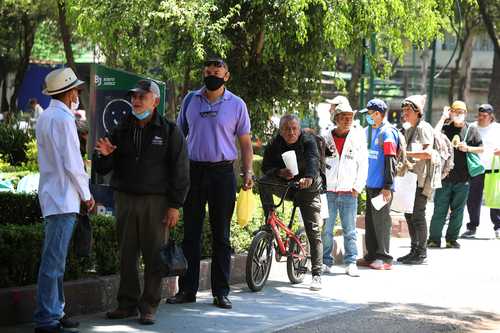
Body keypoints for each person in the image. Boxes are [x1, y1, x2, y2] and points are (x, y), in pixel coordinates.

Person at [93, 79, 190, 325]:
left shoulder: (169, 130)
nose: (136, 101)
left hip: (156, 203)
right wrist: (103, 156)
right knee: (126, 255)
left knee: (154, 255)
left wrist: (174, 205)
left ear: (155, 101)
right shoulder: (121, 128)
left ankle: (149, 306)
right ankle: (126, 304)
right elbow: (103, 165)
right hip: (125, 199)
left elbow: (181, 171)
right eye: (134, 97)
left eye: (142, 97)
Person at [168, 58, 253, 309]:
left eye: (217, 72)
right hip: (193, 173)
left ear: (226, 76)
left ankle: (221, 292)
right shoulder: (190, 100)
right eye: (207, 72)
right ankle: (187, 290)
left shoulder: (237, 104)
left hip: (222, 174)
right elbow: (179, 135)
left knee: (221, 236)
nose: (211, 75)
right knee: (190, 234)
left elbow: (246, 143)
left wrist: (248, 172)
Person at [34, 67, 94, 333]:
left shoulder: (47, 116)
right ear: (69, 92)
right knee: (53, 263)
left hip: (52, 196)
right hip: (63, 198)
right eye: (76, 90)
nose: (77, 94)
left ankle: (55, 312)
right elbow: (73, 163)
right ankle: (47, 318)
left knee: (55, 261)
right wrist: (87, 195)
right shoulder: (63, 119)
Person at [258, 114, 324, 290]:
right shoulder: (275, 143)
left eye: (294, 128)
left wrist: (309, 177)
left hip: (308, 188)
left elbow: (313, 160)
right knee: (264, 181)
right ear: (280, 130)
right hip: (287, 185)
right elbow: (265, 167)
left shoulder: (308, 141)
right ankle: (269, 219)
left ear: (299, 129)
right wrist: (279, 172)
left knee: (313, 229)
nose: (291, 132)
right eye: (286, 129)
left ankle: (317, 274)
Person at [428, 100, 483, 249]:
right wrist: (443, 117)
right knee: (440, 208)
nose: (458, 114)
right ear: (451, 112)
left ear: (465, 113)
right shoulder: (445, 128)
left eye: (461, 112)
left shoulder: (471, 129)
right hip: (445, 177)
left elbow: (481, 149)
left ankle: (451, 239)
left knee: (458, 211)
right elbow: (433, 135)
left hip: (463, 178)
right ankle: (434, 239)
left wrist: (468, 148)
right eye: (455, 111)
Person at [321, 102, 367, 277]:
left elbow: (363, 164)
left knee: (349, 229)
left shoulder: (357, 137)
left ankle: (351, 262)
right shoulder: (325, 137)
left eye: (351, 116)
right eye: (344, 117)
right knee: (327, 229)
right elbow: (319, 162)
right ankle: (326, 261)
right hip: (329, 191)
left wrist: (357, 187)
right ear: (337, 118)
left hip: (349, 191)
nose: (348, 120)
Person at [357, 99, 398, 270]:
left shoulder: (387, 133)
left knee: (381, 222)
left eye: (369, 113)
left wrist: (388, 186)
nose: (367, 117)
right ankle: (371, 255)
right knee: (371, 221)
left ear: (378, 114)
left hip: (382, 185)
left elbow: (391, 161)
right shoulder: (368, 131)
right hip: (370, 183)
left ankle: (384, 258)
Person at [396, 95, 434, 265]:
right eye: (403, 110)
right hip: (409, 180)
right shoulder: (408, 129)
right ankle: (413, 250)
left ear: (418, 112)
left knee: (418, 215)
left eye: (408, 110)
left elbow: (427, 153)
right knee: (409, 214)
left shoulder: (424, 128)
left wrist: (405, 153)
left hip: (421, 179)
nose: (404, 114)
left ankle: (421, 253)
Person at [461, 104, 500, 239]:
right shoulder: (472, 127)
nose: (481, 118)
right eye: (480, 115)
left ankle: (498, 226)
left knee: (495, 198)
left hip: (494, 169)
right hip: (476, 168)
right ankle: (472, 227)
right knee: (473, 199)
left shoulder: (497, 128)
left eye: (485, 116)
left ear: (491, 116)